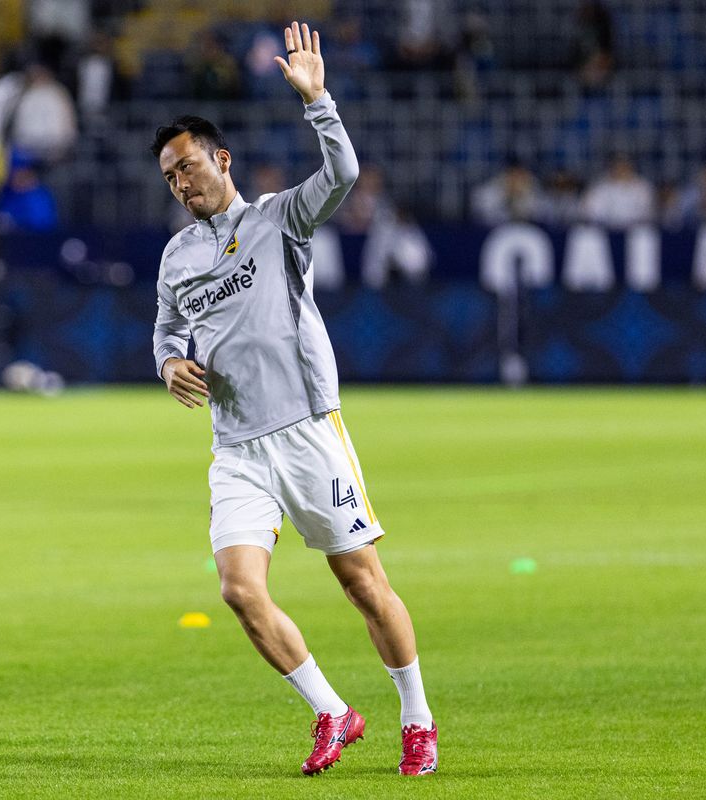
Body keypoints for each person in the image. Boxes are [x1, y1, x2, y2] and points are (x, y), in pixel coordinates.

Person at [151, 21, 437, 777]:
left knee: (363, 584)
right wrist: (170, 364)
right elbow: (166, 332)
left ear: (221, 159)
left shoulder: (277, 218)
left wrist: (319, 101)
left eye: (187, 167)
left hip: (307, 429)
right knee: (239, 590)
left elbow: (341, 176)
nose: (180, 184)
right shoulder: (177, 257)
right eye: (169, 178)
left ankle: (417, 719)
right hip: (237, 445)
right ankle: (333, 712)